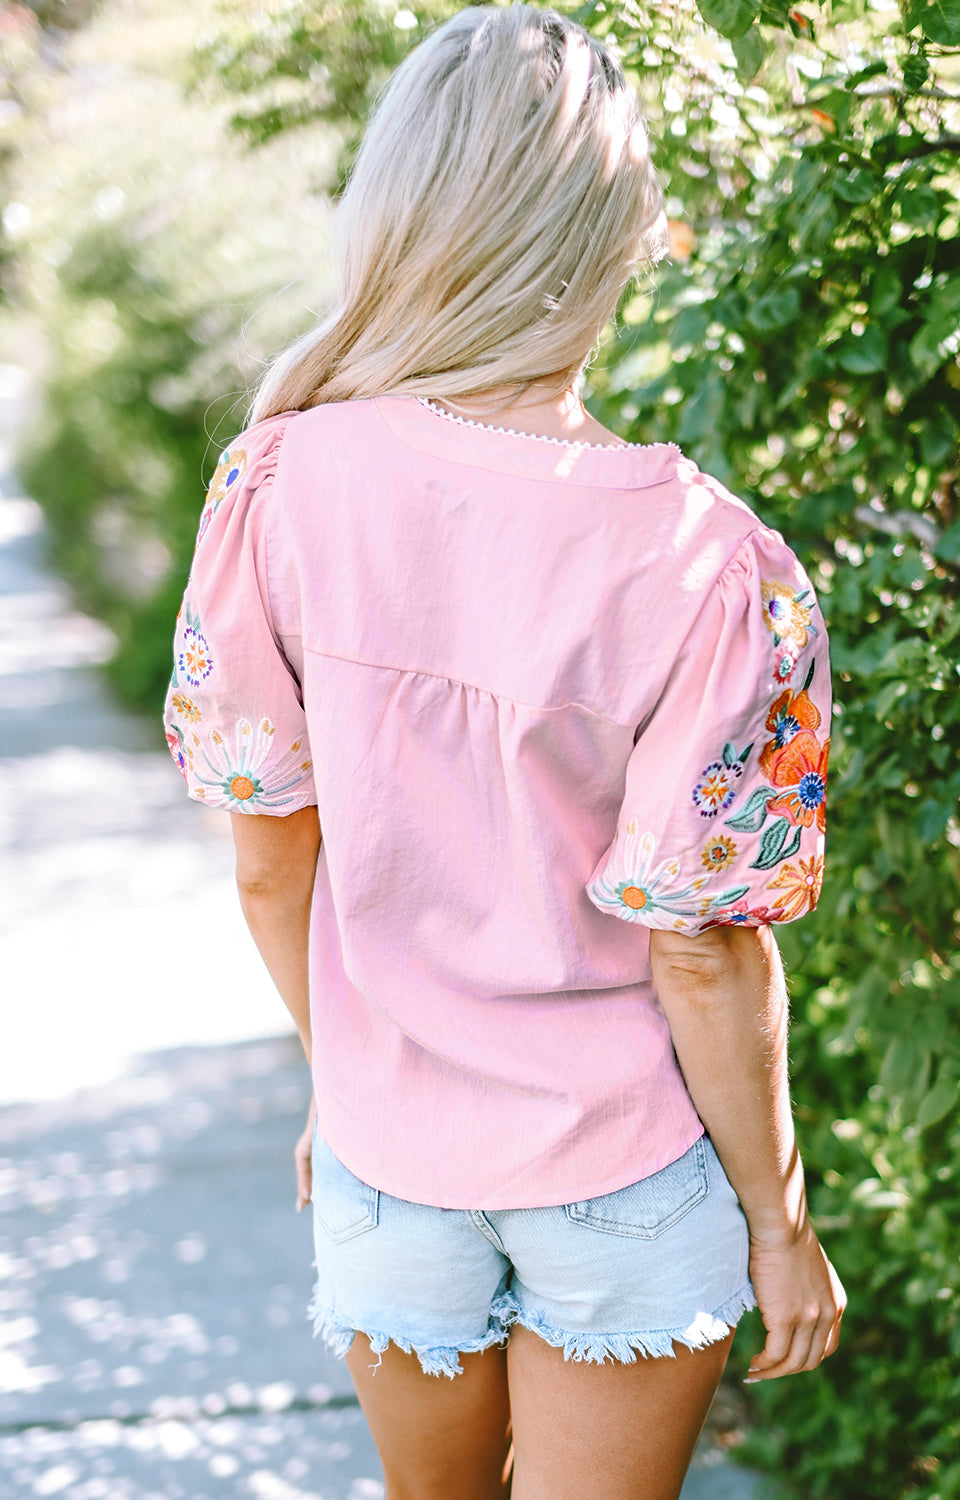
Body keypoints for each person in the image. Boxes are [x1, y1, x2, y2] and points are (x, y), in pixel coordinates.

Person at [163, 7, 845, 1497]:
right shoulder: (705, 559)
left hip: (388, 1153)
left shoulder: (278, 480)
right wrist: (779, 1225)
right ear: (612, 233)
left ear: (400, 211)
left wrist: (343, 1078)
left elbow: (275, 863)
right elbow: (704, 949)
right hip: (619, 1166)